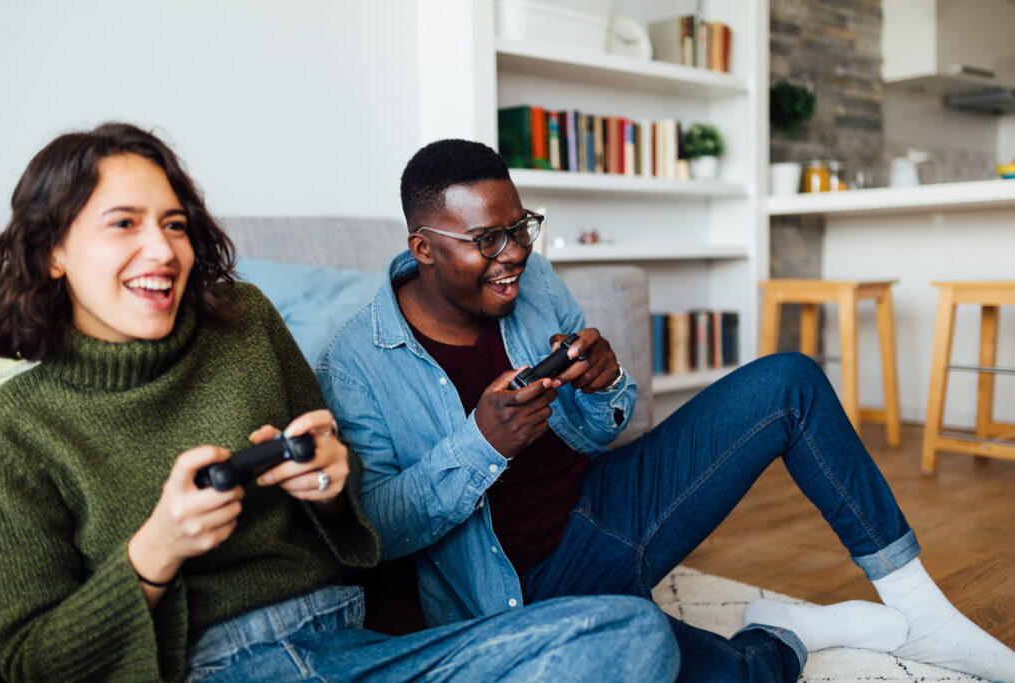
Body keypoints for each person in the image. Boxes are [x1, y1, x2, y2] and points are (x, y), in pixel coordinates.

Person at [0, 124, 681, 682]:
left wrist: (327, 487)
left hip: (352, 644)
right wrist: (155, 551)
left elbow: (361, 528)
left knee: (630, 631)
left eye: (173, 223)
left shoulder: (243, 321)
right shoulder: (17, 426)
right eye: (123, 223)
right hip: (207, 663)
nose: (162, 248)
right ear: (52, 250)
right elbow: (30, 660)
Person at [318, 138, 1015, 683]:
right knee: (734, 675)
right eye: (487, 241)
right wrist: (481, 442)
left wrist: (606, 380)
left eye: (521, 227)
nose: (516, 255)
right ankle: (790, 631)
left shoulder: (531, 278)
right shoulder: (357, 361)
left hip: (611, 500)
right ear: (423, 249)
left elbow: (602, 427)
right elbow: (372, 528)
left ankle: (920, 610)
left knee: (789, 381)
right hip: (528, 590)